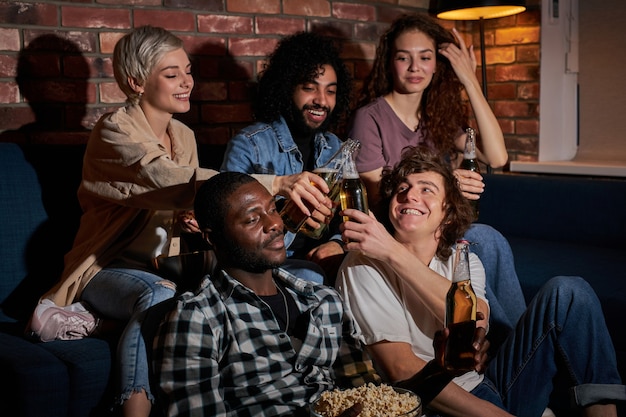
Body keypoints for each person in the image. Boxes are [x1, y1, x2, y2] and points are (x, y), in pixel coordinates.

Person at [25, 26, 333, 417]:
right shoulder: (113, 131)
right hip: (110, 267)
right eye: (172, 74)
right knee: (159, 296)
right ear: (136, 81)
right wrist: (277, 183)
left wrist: (191, 222)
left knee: (281, 280)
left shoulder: (183, 135)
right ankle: (133, 406)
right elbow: (162, 179)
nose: (187, 82)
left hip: (171, 265)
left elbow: (182, 203)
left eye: (187, 71)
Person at [337, 146, 626, 417]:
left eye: (427, 189)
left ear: (447, 214)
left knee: (570, 292)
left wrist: (394, 251)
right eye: (403, 189)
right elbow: (400, 369)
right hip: (436, 401)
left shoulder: (464, 260)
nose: (410, 195)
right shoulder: (364, 264)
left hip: (490, 385)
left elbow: (474, 321)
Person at [152, 171, 466, 417]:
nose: (274, 224)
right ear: (212, 238)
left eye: (272, 210)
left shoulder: (322, 302)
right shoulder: (197, 318)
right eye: (251, 219)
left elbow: (377, 398)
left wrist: (443, 369)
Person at [348, 13, 525, 342]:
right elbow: (374, 199)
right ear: (390, 63)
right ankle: (508, 348)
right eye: (404, 57)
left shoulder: (437, 116)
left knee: (490, 242)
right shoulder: (370, 116)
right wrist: (445, 186)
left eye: (425, 58)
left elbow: (497, 157)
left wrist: (469, 80)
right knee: (484, 239)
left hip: (439, 229)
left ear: (437, 64)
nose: (415, 68)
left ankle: (509, 344)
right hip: (400, 232)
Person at [220, 31, 352, 283]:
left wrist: (337, 244)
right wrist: (285, 204)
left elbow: (347, 216)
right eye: (309, 88)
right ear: (286, 87)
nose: (321, 101)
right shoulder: (250, 144)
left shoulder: (335, 146)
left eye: (331, 91)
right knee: (312, 276)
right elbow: (227, 219)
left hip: (323, 261)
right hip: (267, 263)